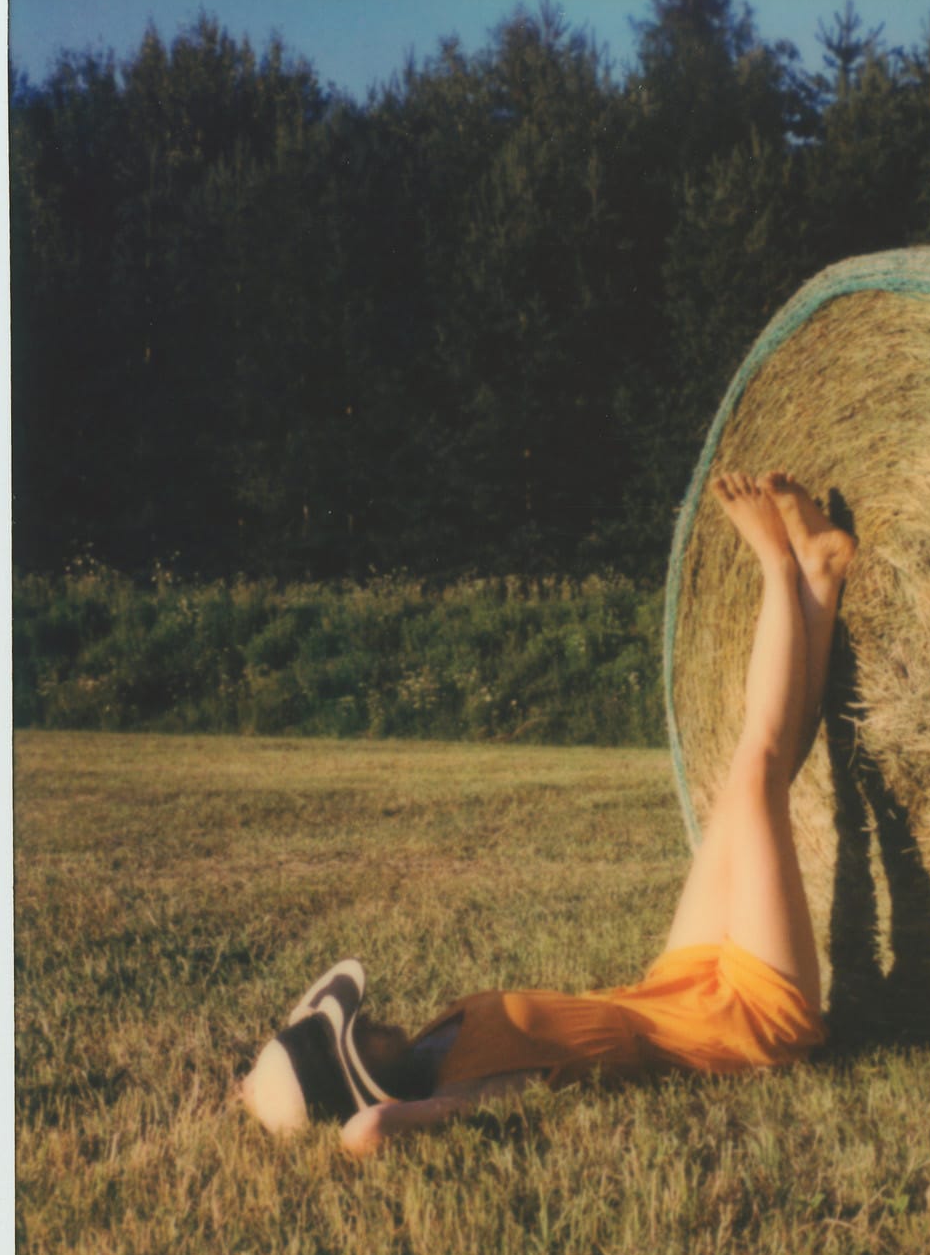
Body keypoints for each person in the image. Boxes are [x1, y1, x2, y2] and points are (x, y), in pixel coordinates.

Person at [237, 470, 856, 1159]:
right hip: (743, 1025)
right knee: (754, 772)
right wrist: (347, 1114)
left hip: (671, 987)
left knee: (744, 799)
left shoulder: (434, 1036)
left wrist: (255, 1084)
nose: (366, 1018)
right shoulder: (465, 1093)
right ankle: (778, 564)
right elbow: (368, 1134)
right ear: (359, 1079)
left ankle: (821, 578)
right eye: (348, 1037)